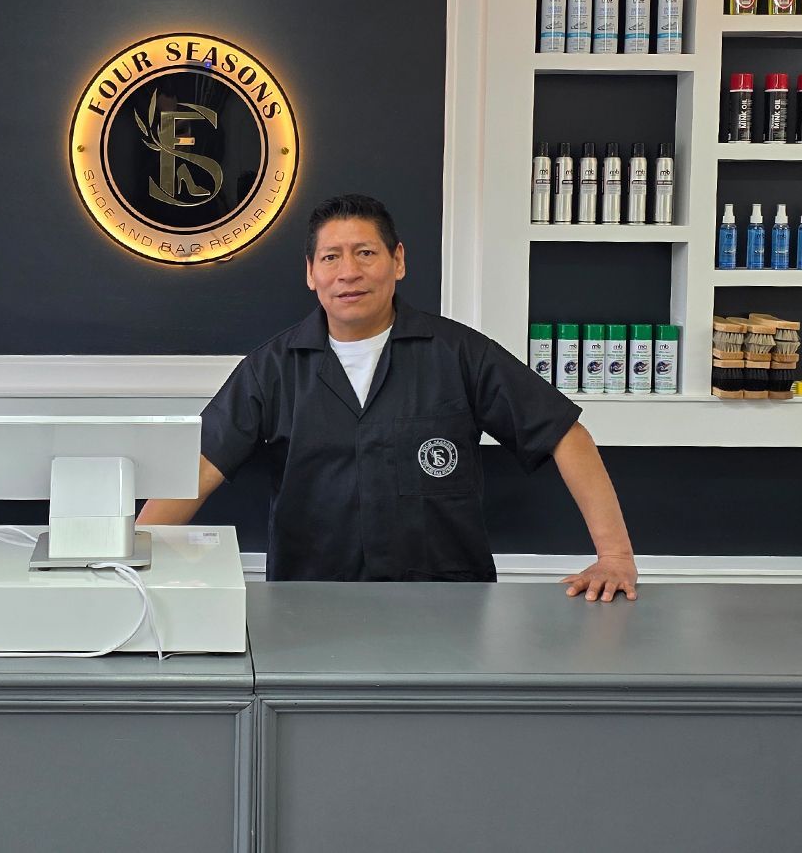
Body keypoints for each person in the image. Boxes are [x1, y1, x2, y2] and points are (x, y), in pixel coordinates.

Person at [138, 194, 638, 602]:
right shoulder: (272, 368)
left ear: (397, 261)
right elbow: (197, 468)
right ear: (311, 273)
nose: (348, 272)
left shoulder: (459, 353)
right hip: (310, 603)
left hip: (447, 605)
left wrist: (615, 557)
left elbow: (565, 435)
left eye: (366, 253)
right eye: (331, 257)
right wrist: (127, 564)